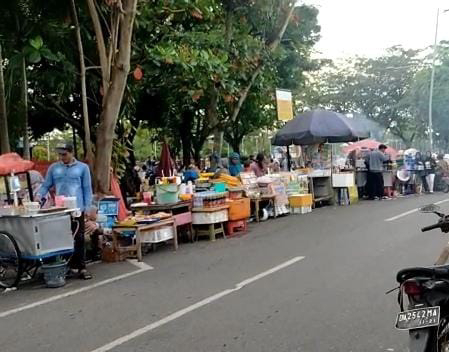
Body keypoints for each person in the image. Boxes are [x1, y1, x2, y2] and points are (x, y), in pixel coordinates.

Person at [37, 143, 93, 280]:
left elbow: (87, 189)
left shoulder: (82, 168)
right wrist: (38, 198)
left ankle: (81, 267)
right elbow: (46, 185)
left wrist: (88, 207)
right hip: (60, 209)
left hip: (77, 209)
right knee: (61, 239)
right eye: (60, 155)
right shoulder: (54, 169)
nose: (62, 157)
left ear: (71, 152)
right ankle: (66, 266)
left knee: (78, 238)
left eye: (65, 154)